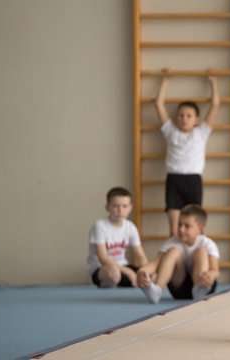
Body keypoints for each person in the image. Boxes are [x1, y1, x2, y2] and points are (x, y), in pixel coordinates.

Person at [154, 68, 220, 237]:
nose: (184, 118)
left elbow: (215, 105)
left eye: (189, 115)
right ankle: (177, 262)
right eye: (181, 115)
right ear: (176, 118)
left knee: (194, 229)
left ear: (196, 120)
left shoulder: (201, 132)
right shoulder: (170, 132)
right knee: (175, 230)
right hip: (174, 180)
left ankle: (195, 260)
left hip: (193, 180)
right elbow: (158, 104)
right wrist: (165, 81)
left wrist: (212, 81)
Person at [137, 204, 220, 304]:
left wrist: (210, 276)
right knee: (173, 251)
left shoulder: (207, 243)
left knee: (201, 251)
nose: (181, 229)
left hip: (204, 286)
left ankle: (199, 290)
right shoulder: (172, 242)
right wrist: (142, 272)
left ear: (200, 229)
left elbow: (215, 270)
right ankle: (157, 290)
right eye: (180, 224)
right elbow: (155, 264)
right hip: (181, 289)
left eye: (187, 226)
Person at [87, 187, 149, 288]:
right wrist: (129, 273)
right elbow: (103, 257)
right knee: (114, 274)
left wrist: (146, 273)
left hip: (122, 265)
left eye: (124, 206)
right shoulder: (99, 226)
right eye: (116, 206)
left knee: (151, 275)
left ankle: (127, 282)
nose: (120, 210)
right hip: (102, 268)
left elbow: (141, 255)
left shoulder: (130, 227)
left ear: (130, 208)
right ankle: (112, 283)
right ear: (107, 207)